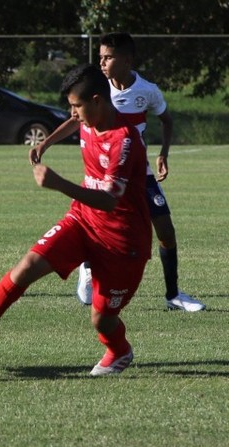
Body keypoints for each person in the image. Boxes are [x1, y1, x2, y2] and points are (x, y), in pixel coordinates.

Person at [0, 64, 151, 375]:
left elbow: (108, 200)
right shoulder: (89, 117)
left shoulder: (123, 140)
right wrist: (45, 143)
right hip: (82, 220)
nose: (72, 112)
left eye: (77, 105)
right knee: (26, 267)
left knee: (101, 319)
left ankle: (119, 351)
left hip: (122, 240)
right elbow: (75, 124)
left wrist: (59, 183)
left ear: (98, 101)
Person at [30, 32, 205, 312]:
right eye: (100, 57)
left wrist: (163, 154)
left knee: (166, 232)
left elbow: (166, 120)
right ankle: (87, 268)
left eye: (108, 57)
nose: (102, 63)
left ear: (126, 60)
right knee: (95, 225)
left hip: (140, 175)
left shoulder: (147, 90)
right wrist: (45, 143)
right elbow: (76, 120)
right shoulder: (97, 90)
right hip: (104, 176)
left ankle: (173, 295)